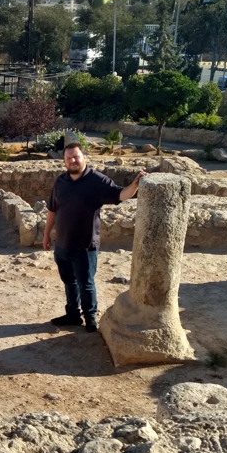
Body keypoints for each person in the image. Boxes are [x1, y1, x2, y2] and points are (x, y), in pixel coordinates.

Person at [43, 138, 146, 333]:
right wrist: (47, 235)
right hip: (62, 244)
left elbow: (120, 195)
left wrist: (135, 185)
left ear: (84, 157)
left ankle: (90, 317)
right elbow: (52, 210)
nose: (72, 161)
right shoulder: (61, 181)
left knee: (86, 283)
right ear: (64, 161)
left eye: (76, 157)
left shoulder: (96, 180)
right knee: (69, 282)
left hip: (85, 246)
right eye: (68, 158)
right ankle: (73, 315)